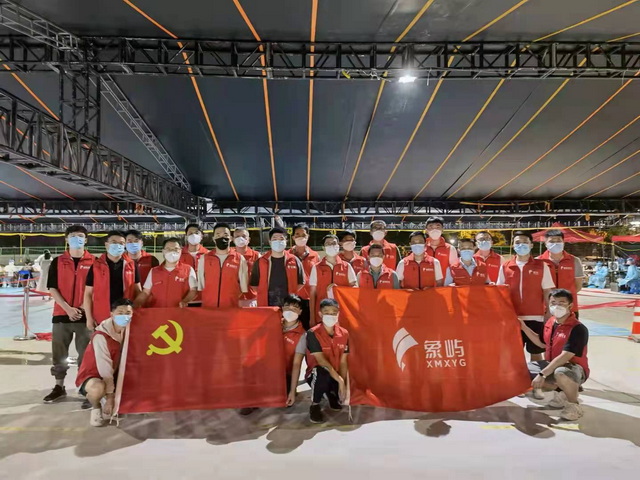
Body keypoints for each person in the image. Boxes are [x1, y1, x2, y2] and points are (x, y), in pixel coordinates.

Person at [43, 225, 95, 404]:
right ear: (66, 239)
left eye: (80, 236)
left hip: (85, 316)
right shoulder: (58, 262)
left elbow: (96, 289)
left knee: (86, 354)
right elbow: (52, 288)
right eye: (72, 236)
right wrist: (67, 309)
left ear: (86, 240)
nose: (76, 239)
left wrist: (81, 308)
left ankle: (85, 388)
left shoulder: (95, 262)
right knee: (59, 353)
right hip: (61, 315)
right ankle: (59, 386)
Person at [521, 289, 589, 421]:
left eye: (561, 303)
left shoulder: (577, 328)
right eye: (553, 303)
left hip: (573, 368)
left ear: (570, 305)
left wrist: (542, 374)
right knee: (522, 371)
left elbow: (566, 356)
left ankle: (573, 405)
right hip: (552, 365)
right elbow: (541, 343)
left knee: (561, 373)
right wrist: (523, 327)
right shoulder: (550, 323)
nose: (557, 306)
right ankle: (561, 394)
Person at [497, 231, 555, 361]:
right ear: (513, 245)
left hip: (536, 317)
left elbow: (547, 291)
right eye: (517, 242)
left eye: (525, 242)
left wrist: (548, 313)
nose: (521, 245)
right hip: (513, 317)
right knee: (513, 353)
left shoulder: (541, 266)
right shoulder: (505, 266)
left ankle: (536, 374)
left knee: (536, 352)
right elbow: (499, 292)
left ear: (531, 245)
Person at [76, 298, 134, 427]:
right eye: (120, 313)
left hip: (114, 373)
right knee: (98, 388)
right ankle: (96, 407)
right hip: (93, 375)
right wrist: (110, 398)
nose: (124, 316)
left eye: (128, 313)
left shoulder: (128, 331)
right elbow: (105, 370)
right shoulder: (101, 336)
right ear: (112, 314)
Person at [84, 231, 141, 331]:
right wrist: (89, 318)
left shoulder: (131, 265)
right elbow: (88, 294)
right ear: (106, 245)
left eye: (121, 243)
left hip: (125, 317)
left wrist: (134, 311)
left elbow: (138, 291)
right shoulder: (96, 266)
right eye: (114, 242)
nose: (118, 245)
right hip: (102, 317)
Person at [304, 298, 349, 424]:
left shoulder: (344, 333)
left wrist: (343, 383)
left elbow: (343, 361)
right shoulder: (313, 333)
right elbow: (321, 361)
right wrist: (340, 381)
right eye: (327, 312)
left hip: (335, 374)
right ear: (320, 314)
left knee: (339, 391)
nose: (331, 315)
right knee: (322, 371)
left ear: (338, 314)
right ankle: (315, 405)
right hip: (317, 374)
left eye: (334, 312)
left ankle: (331, 394)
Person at [134, 238, 197, 308]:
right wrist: (136, 304)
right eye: (168, 249)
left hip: (179, 312)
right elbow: (145, 292)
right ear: (163, 251)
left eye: (175, 249)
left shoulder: (188, 270)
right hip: (157, 311)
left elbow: (193, 290)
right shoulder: (154, 271)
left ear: (181, 251)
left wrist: (185, 301)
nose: (172, 252)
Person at [309, 235, 357, 326]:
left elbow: (354, 290)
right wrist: (312, 317)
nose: (331, 245)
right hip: (322, 314)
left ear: (338, 245)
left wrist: (339, 289)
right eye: (328, 244)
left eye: (334, 243)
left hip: (342, 314)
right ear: (323, 247)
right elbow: (312, 294)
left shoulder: (347, 266)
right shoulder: (316, 267)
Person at [251, 227, 305, 307]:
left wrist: (291, 290)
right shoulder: (260, 261)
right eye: (275, 239)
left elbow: (300, 283)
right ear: (270, 242)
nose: (278, 241)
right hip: (266, 306)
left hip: (289, 306)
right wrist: (263, 292)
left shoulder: (294, 260)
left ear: (286, 241)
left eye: (281, 239)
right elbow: (254, 285)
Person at [198, 223, 249, 308]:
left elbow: (242, 287)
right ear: (213, 239)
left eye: (225, 235)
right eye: (218, 235)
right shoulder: (204, 258)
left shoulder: (239, 259)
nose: (222, 238)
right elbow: (202, 285)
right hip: (208, 307)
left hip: (230, 308)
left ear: (231, 238)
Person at [536, 230, 584, 315]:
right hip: (546, 308)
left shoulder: (574, 261)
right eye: (551, 241)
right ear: (545, 243)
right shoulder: (538, 261)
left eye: (558, 241)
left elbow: (578, 286)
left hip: (569, 308)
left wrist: (564, 300)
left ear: (563, 242)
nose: (555, 244)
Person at [289, 223, 319, 328]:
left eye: (303, 235)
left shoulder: (315, 255)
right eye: (297, 234)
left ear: (308, 237)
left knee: (308, 329)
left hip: (308, 300)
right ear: (293, 237)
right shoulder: (287, 255)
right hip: (291, 299)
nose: (300, 237)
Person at [281, 294, 308, 407]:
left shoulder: (302, 335)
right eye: (287, 306)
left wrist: (292, 391)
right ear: (282, 308)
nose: (290, 310)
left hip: (284, 374)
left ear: (300, 311)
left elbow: (297, 364)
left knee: (284, 401)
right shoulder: (272, 324)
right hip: (267, 370)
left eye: (295, 307)